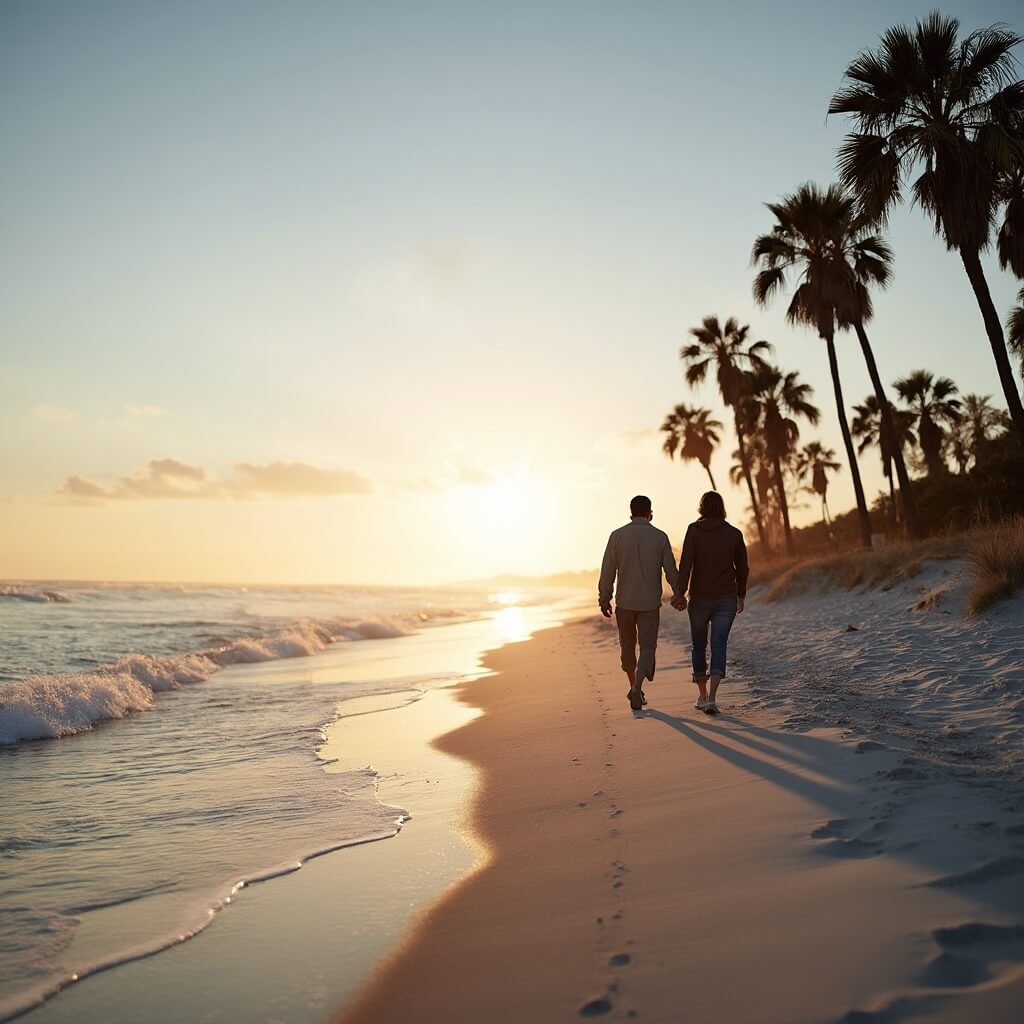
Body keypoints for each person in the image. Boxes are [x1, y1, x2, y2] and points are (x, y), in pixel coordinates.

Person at [599, 495, 681, 711]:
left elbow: (608, 570)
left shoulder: (617, 536)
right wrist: (679, 593)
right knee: (647, 648)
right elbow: (671, 571)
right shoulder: (660, 537)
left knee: (627, 647)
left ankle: (634, 686)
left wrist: (604, 597)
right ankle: (636, 688)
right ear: (649, 512)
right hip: (649, 604)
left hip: (625, 603)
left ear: (631, 512)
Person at [673, 491, 748, 715]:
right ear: (722, 507)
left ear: (702, 507)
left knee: (698, 645)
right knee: (719, 645)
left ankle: (703, 696)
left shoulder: (694, 531)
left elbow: (686, 564)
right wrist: (741, 595)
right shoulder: (734, 533)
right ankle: (713, 697)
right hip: (726, 598)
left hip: (699, 599)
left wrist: (680, 593)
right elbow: (743, 568)